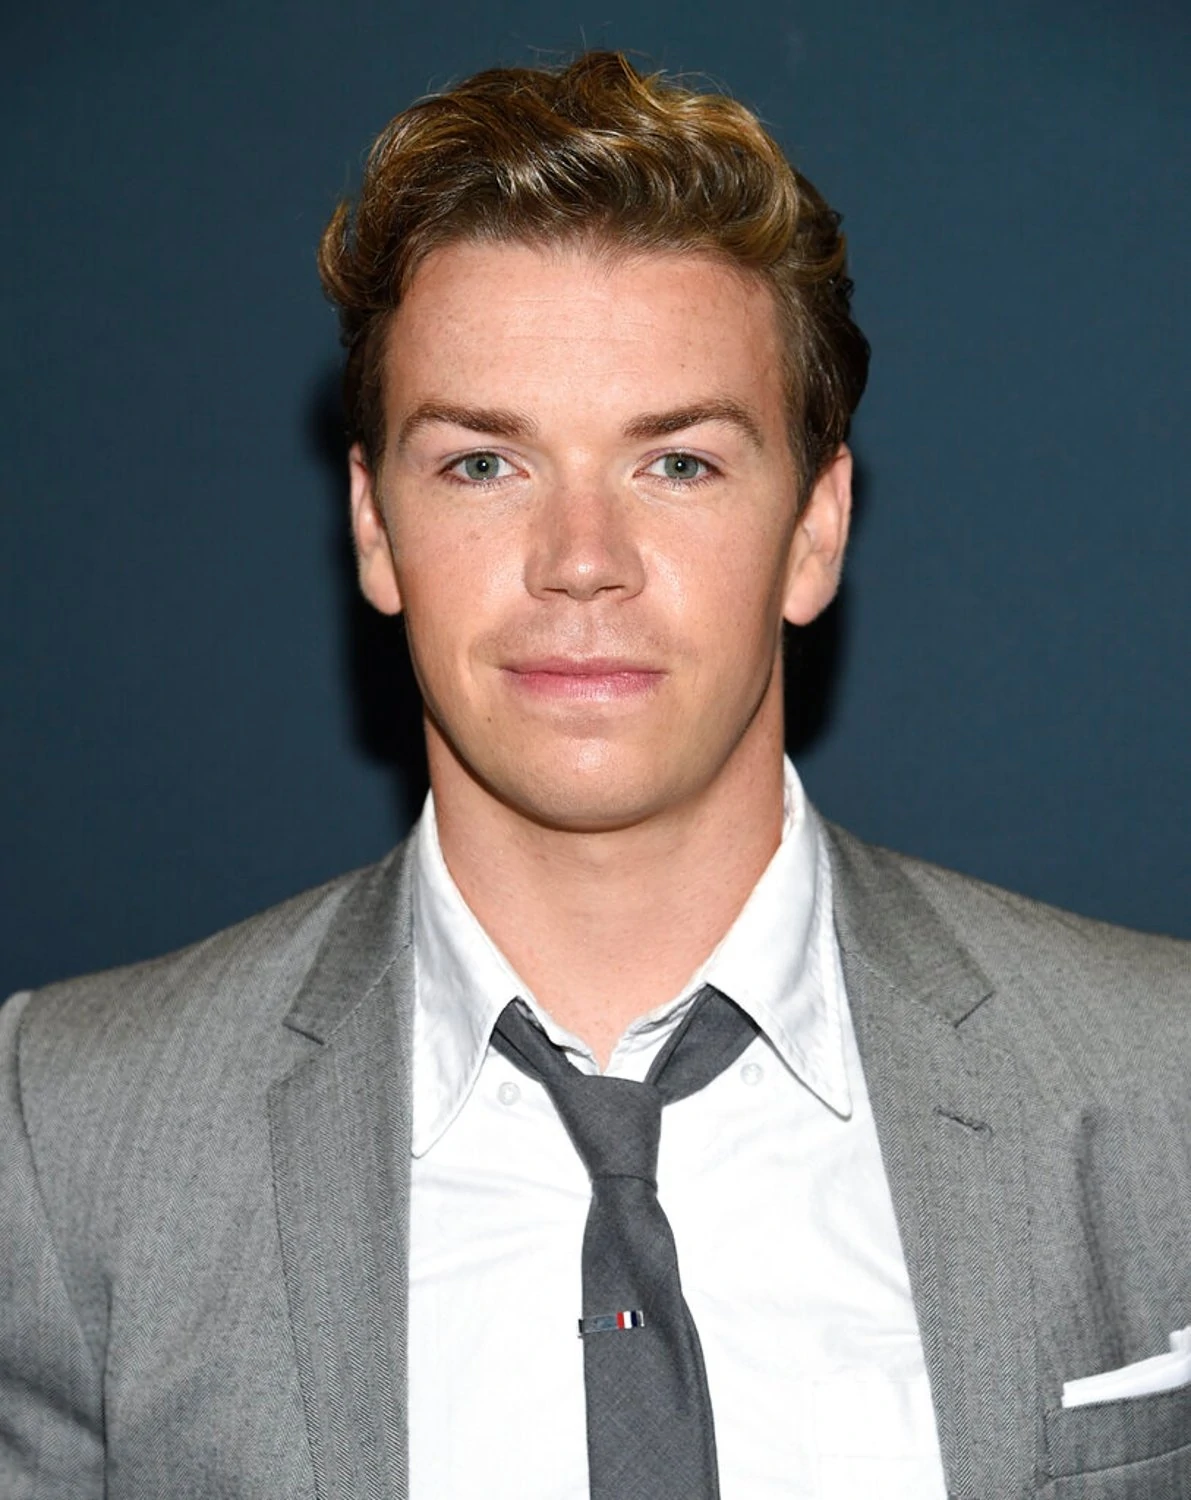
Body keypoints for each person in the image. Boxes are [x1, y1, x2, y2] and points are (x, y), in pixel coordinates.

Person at [1, 50, 1188, 1500]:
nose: (580, 563)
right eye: (482, 464)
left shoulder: (1164, 1089)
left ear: (815, 530)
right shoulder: (65, 1137)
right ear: (373, 528)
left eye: (676, 463)